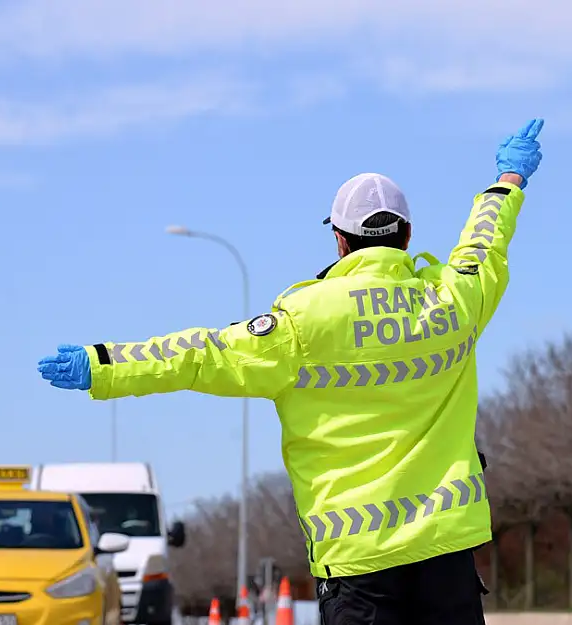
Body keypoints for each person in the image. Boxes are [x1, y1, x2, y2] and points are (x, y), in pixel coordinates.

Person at [38, 118, 545, 624]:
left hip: (358, 566)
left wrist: (104, 365)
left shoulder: (302, 323)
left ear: (340, 241)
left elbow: (198, 354)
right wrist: (507, 180)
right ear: (407, 235)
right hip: (447, 554)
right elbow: (483, 245)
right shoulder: (453, 302)